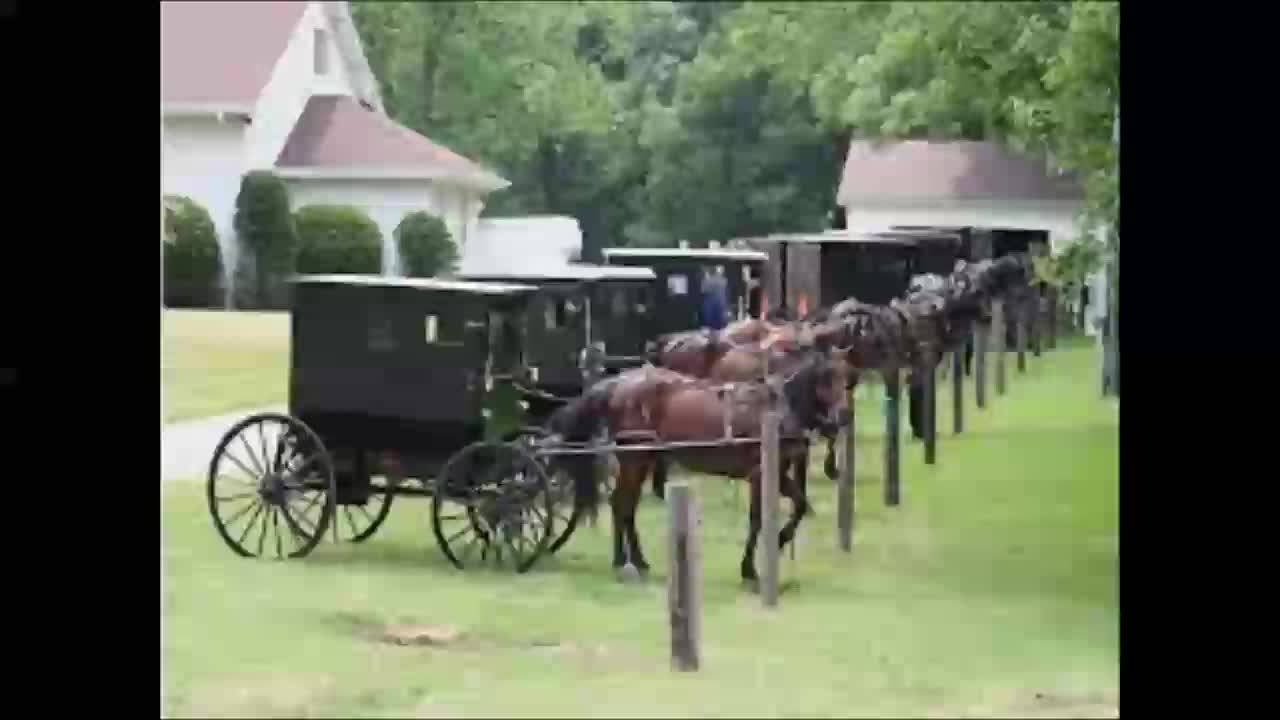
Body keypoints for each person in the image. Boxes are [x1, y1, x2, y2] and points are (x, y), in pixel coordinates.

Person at [700, 266, 729, 331]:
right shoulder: (724, 280)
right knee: (719, 323)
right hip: (720, 302)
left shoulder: (707, 280)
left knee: (711, 323)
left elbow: (703, 291)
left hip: (711, 303)